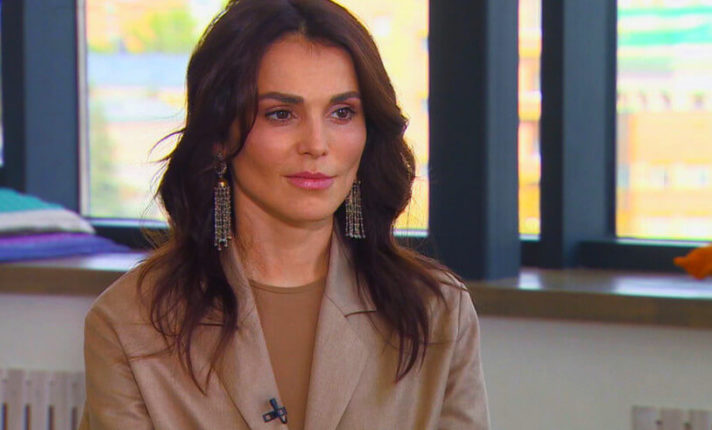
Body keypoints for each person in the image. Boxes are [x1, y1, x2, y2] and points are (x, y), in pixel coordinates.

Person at [79, 0, 490, 429]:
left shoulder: (438, 313)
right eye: (281, 114)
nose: (316, 144)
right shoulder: (130, 324)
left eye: (342, 113)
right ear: (219, 135)